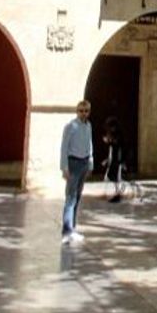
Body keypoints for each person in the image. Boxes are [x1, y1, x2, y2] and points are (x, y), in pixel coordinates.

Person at [61, 100, 94, 244]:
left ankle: (73, 228)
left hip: (84, 162)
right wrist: (64, 167)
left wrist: (90, 163)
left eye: (86, 111)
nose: (83, 113)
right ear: (77, 111)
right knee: (70, 197)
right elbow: (64, 147)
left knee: (78, 197)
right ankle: (66, 231)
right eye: (81, 110)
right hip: (73, 163)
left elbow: (89, 144)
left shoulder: (88, 126)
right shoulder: (70, 126)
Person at [102, 116, 125, 203]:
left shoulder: (118, 137)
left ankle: (118, 194)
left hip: (117, 160)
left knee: (116, 178)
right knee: (112, 177)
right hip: (114, 160)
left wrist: (109, 141)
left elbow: (117, 148)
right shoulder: (115, 136)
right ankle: (116, 193)